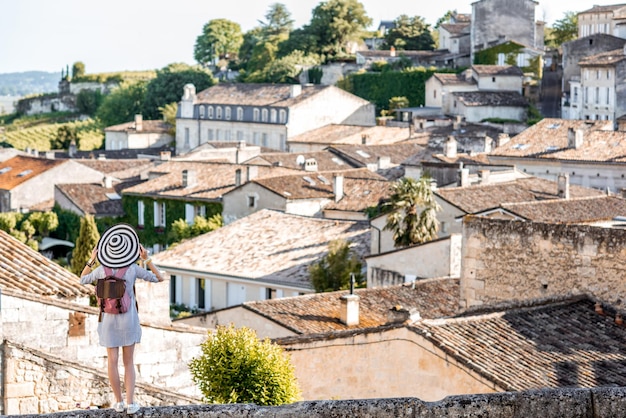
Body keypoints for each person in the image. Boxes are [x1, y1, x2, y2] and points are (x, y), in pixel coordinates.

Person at [80, 223, 164, 414]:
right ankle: (130, 403)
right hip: (129, 320)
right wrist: (147, 259)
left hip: (108, 321)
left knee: (112, 361)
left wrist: (92, 260)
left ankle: (117, 402)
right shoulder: (133, 269)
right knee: (128, 362)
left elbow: (82, 279)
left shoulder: (102, 270)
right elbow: (159, 278)